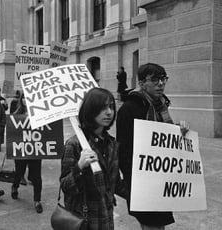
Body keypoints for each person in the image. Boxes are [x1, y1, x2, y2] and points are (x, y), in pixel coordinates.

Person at [116, 63, 189, 230]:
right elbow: (123, 151)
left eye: (163, 79)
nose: (161, 84)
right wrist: (136, 182)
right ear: (142, 83)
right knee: (151, 225)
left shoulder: (161, 106)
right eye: (155, 80)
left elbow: (164, 139)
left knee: (159, 224)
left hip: (162, 179)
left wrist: (180, 131)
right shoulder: (128, 109)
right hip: (143, 182)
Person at [60, 87, 127, 230]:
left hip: (106, 220)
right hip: (84, 221)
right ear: (91, 110)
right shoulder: (75, 145)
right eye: (103, 108)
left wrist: (145, 196)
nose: (109, 112)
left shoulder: (111, 144)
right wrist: (79, 167)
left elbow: (115, 183)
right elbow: (65, 186)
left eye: (111, 107)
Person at [11, 93, 44, 213]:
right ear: (21, 100)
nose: (25, 100)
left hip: (35, 149)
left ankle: (37, 200)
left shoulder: (40, 115)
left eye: (28, 98)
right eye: (24, 98)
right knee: (19, 172)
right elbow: (12, 133)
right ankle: (15, 186)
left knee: (37, 176)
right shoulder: (16, 115)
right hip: (21, 150)